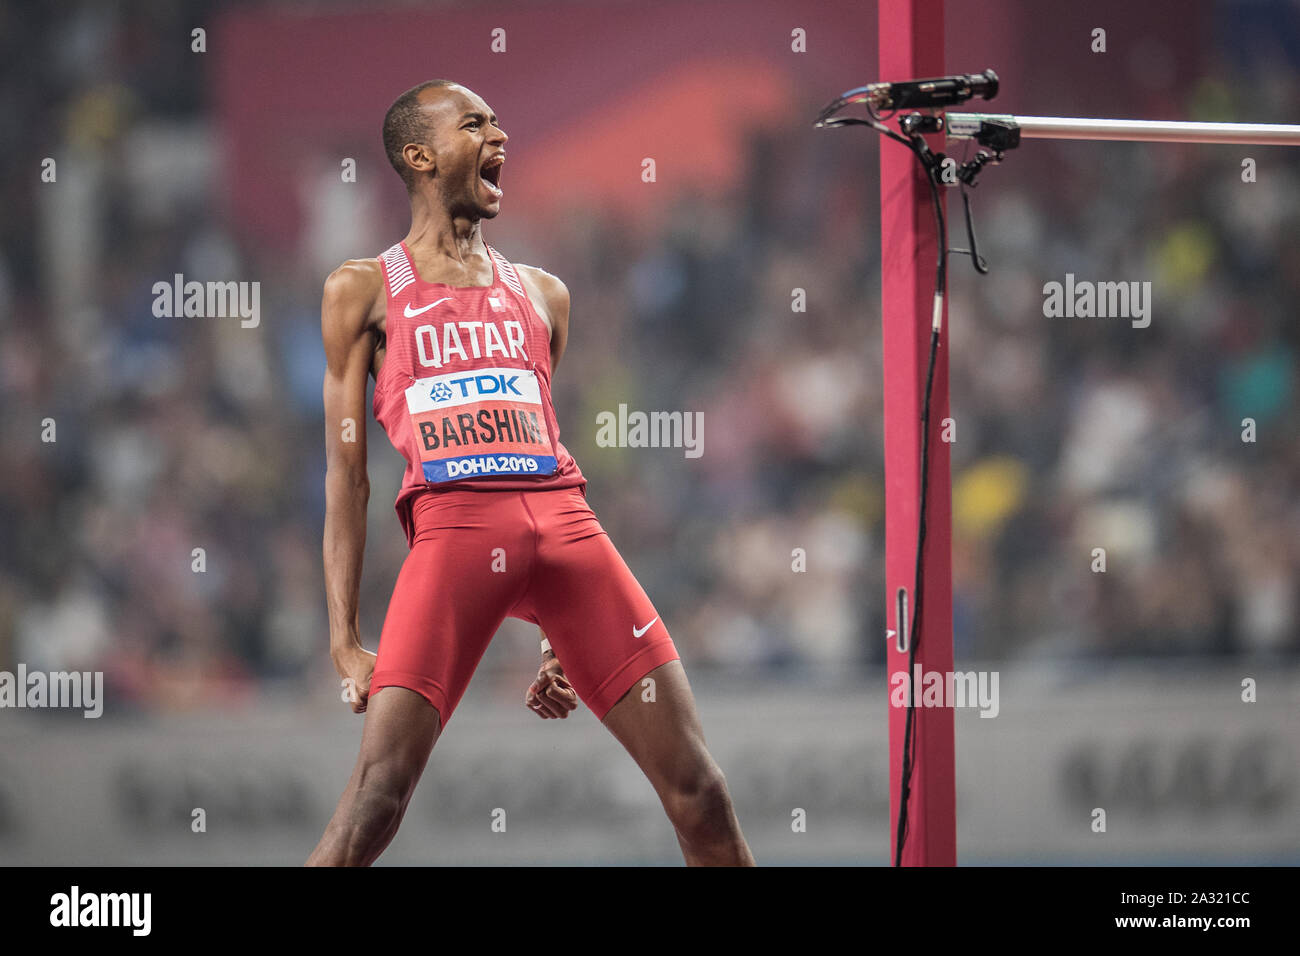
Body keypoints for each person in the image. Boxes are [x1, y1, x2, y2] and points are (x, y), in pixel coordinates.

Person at [306, 80, 754, 866]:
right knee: (376, 803)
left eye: (501, 121)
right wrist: (344, 642)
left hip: (568, 531)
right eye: (475, 124)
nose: (499, 135)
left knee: (703, 795)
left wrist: (562, 635)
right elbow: (347, 476)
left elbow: (543, 444)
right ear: (419, 155)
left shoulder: (545, 295)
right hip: (452, 536)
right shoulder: (363, 290)